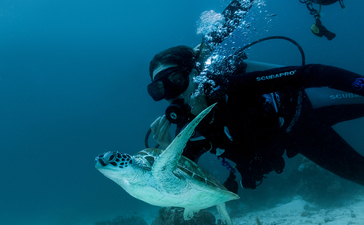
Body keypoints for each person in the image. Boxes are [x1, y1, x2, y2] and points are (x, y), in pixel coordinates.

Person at [148, 0, 364, 192]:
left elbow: (313, 73)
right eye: (160, 89)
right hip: (301, 137)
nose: (172, 94)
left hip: (304, 108)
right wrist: (170, 153)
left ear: (195, 73)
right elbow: (181, 184)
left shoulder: (232, 87)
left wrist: (361, 84)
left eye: (176, 80)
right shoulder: (188, 131)